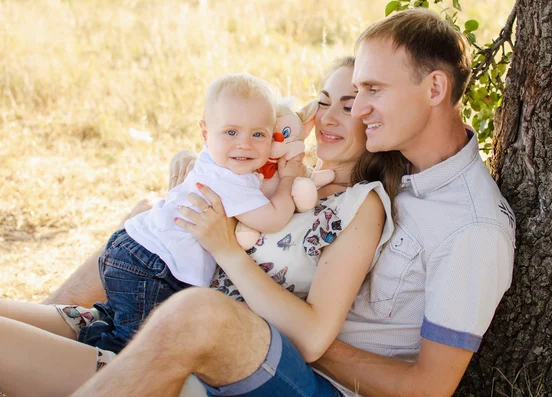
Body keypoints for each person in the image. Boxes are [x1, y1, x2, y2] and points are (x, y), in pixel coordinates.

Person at [66, 9, 515, 397]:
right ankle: (74, 326)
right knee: (147, 225)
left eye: (371, 91)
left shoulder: (470, 227)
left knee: (198, 314)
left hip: (312, 377)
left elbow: (428, 389)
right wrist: (201, 162)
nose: (357, 110)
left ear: (435, 89)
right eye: (352, 94)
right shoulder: (397, 162)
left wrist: (267, 327)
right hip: (265, 334)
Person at [0, 57, 403, 397]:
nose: (328, 118)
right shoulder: (292, 173)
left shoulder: (360, 205)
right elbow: (228, 150)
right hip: (145, 304)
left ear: (374, 120)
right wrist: (190, 161)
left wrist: (225, 246)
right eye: (323, 102)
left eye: (348, 107)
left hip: (177, 347)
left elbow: (314, 338)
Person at [52, 72, 312, 354]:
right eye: (231, 132)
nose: (245, 144)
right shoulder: (229, 179)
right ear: (205, 133)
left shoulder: (217, 162)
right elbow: (272, 219)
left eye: (258, 134)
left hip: (136, 252)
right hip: (153, 266)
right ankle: (73, 366)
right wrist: (288, 179)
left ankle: (89, 338)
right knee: (137, 351)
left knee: (122, 325)